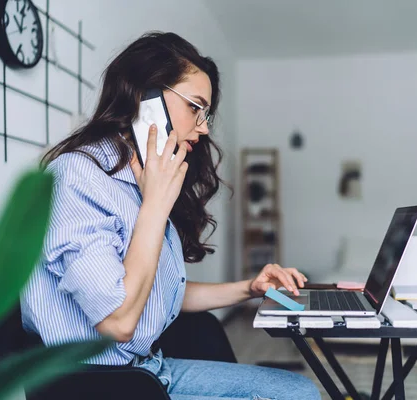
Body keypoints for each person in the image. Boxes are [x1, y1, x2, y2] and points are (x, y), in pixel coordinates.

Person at [21, 31, 321, 400]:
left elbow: (158, 293)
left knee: (298, 391)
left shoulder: (142, 181)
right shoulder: (78, 176)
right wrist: (155, 207)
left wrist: (249, 288)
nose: (205, 126)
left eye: (207, 113)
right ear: (145, 98)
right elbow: (119, 321)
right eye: (195, 107)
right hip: (100, 385)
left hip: (147, 370)